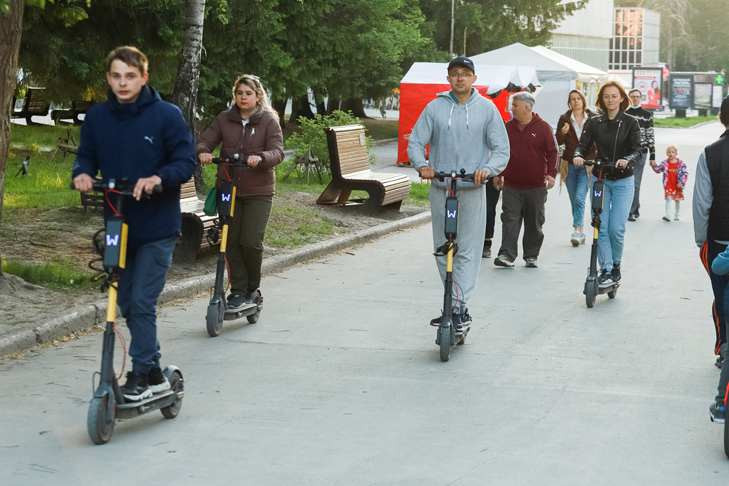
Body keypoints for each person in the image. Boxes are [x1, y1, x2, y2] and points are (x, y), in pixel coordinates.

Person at [72, 46, 196, 401]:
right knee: (123, 301)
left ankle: (142, 374)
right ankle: (154, 368)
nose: (122, 83)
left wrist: (158, 178)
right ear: (108, 78)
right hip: (116, 227)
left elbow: (185, 162)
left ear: (144, 77)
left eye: (130, 76)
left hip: (157, 227)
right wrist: (81, 173)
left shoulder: (166, 116)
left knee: (141, 300)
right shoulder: (97, 118)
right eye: (115, 76)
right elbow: (86, 156)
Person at [408, 56, 509, 331]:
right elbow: (416, 141)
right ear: (448, 78)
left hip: (472, 188)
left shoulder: (487, 109)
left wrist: (487, 169)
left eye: (465, 74)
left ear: (474, 78)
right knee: (443, 249)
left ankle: (458, 308)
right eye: (455, 74)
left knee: (467, 250)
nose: (460, 78)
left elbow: (501, 149)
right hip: (442, 188)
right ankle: (454, 304)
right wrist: (422, 165)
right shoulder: (435, 108)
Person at [197, 74, 284, 310]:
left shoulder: (268, 120)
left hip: (259, 191)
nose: (243, 97)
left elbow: (278, 151)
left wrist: (262, 157)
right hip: (229, 187)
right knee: (230, 240)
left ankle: (252, 289)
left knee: (251, 241)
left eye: (248, 93)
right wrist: (204, 151)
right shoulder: (225, 119)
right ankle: (237, 291)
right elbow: (206, 140)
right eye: (239, 93)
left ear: (258, 96)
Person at [574, 81, 641, 289]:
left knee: (616, 228)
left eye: (614, 96)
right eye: (606, 96)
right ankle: (606, 268)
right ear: (601, 99)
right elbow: (582, 145)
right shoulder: (595, 122)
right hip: (600, 178)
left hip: (623, 180)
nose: (610, 100)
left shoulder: (630, 122)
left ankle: (616, 267)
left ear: (622, 98)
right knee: (599, 226)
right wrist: (577, 155)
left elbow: (637, 149)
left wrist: (627, 159)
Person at [492, 91, 558, 268]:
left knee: (534, 222)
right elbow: (500, 153)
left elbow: (553, 153)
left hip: (536, 186)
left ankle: (531, 255)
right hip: (512, 185)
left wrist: (551, 175)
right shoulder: (507, 128)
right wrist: (498, 174)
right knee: (509, 220)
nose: (511, 109)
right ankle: (506, 254)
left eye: (514, 105)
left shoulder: (543, 128)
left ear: (527, 107)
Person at [693, 95, 729, 422]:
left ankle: (723, 348)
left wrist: (701, 239)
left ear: (722, 118)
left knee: (722, 298)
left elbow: (702, 202)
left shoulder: (710, 154)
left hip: (719, 241)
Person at [556, 89, 597, 246]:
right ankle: (578, 227)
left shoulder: (592, 117)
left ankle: (578, 231)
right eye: (572, 99)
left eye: (578, 98)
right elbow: (558, 141)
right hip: (569, 165)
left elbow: (598, 140)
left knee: (580, 197)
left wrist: (593, 159)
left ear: (583, 100)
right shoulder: (564, 119)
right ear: (569, 102)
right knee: (574, 199)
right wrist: (562, 132)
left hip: (587, 166)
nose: (575, 101)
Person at [625, 88, 656, 221]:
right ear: (629, 98)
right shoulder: (625, 114)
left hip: (641, 152)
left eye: (637, 96)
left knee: (636, 183)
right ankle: (634, 207)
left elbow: (650, 135)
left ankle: (631, 211)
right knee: (627, 182)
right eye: (633, 96)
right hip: (627, 153)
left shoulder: (647, 114)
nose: (635, 99)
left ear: (641, 98)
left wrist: (652, 156)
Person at [650, 145, 688, 222]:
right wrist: (653, 165)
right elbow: (658, 170)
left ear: (676, 153)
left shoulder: (681, 164)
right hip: (668, 185)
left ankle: (677, 215)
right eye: (669, 152)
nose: (671, 154)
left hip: (677, 185)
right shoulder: (664, 163)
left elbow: (685, 173)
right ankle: (668, 215)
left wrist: (682, 182)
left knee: (677, 200)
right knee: (668, 199)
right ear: (667, 154)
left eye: (673, 152)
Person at [482, 178, 500, 259]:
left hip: (491, 175)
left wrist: (499, 175)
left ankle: (486, 243)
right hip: (470, 171)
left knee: (489, 209)